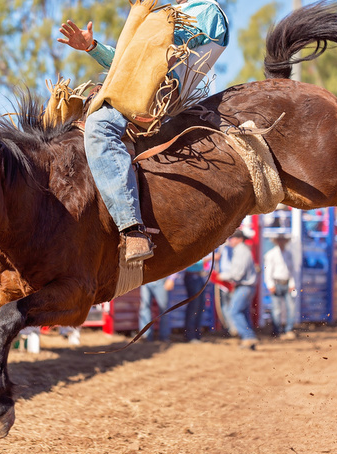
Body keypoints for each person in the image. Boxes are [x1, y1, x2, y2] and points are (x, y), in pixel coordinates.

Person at [58, 0, 229, 262]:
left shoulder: (208, 11)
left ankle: (132, 229)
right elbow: (130, 60)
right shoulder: (169, 14)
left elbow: (158, 51)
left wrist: (146, 22)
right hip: (137, 87)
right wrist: (92, 47)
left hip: (157, 95)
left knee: (100, 127)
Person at [219, 229, 258, 349]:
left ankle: (248, 337)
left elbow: (237, 274)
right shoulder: (242, 250)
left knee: (234, 311)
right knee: (243, 313)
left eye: (232, 238)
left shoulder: (241, 251)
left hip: (244, 287)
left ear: (239, 239)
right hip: (246, 287)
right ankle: (249, 338)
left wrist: (221, 276)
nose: (230, 240)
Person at [263, 234, 296, 339]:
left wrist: (292, 283)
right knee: (277, 309)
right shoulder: (271, 254)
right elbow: (268, 271)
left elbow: (291, 270)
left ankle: (288, 330)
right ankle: (277, 331)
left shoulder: (289, 254)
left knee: (290, 308)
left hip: (286, 283)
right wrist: (270, 284)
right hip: (276, 283)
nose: (282, 243)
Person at [138, 276, 176, 342]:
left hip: (161, 279)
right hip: (146, 279)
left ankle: (164, 336)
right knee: (144, 308)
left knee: (164, 309)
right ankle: (146, 335)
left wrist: (171, 278)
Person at [183, 256, 209, 343]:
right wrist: (206, 260)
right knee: (194, 306)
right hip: (192, 276)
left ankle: (196, 334)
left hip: (197, 276)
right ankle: (190, 335)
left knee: (199, 306)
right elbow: (189, 261)